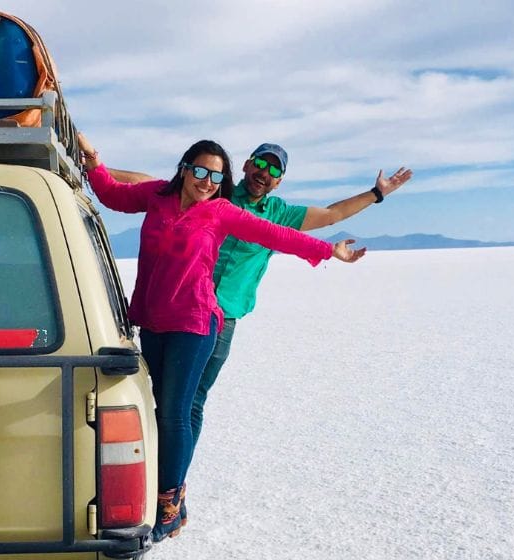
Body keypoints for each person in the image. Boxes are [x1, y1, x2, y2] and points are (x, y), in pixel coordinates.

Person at [78, 134, 365, 542]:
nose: (206, 181)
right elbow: (112, 195)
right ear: (184, 169)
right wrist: (92, 163)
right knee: (159, 407)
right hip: (153, 319)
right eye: (200, 171)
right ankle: (171, 494)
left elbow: (276, 236)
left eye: (215, 175)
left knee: (175, 412)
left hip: (195, 322)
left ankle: (169, 506)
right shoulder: (157, 197)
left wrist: (326, 250)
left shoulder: (220, 212)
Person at [110, 144, 411, 449]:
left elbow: (332, 215)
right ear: (245, 166)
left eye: (274, 171)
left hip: (222, 318)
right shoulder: (217, 193)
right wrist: (97, 168)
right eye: (260, 165)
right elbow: (149, 183)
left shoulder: (280, 214)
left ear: (279, 181)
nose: (264, 174)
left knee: (191, 403)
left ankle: (174, 486)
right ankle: (164, 476)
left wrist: (376, 194)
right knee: (164, 401)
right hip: (178, 307)